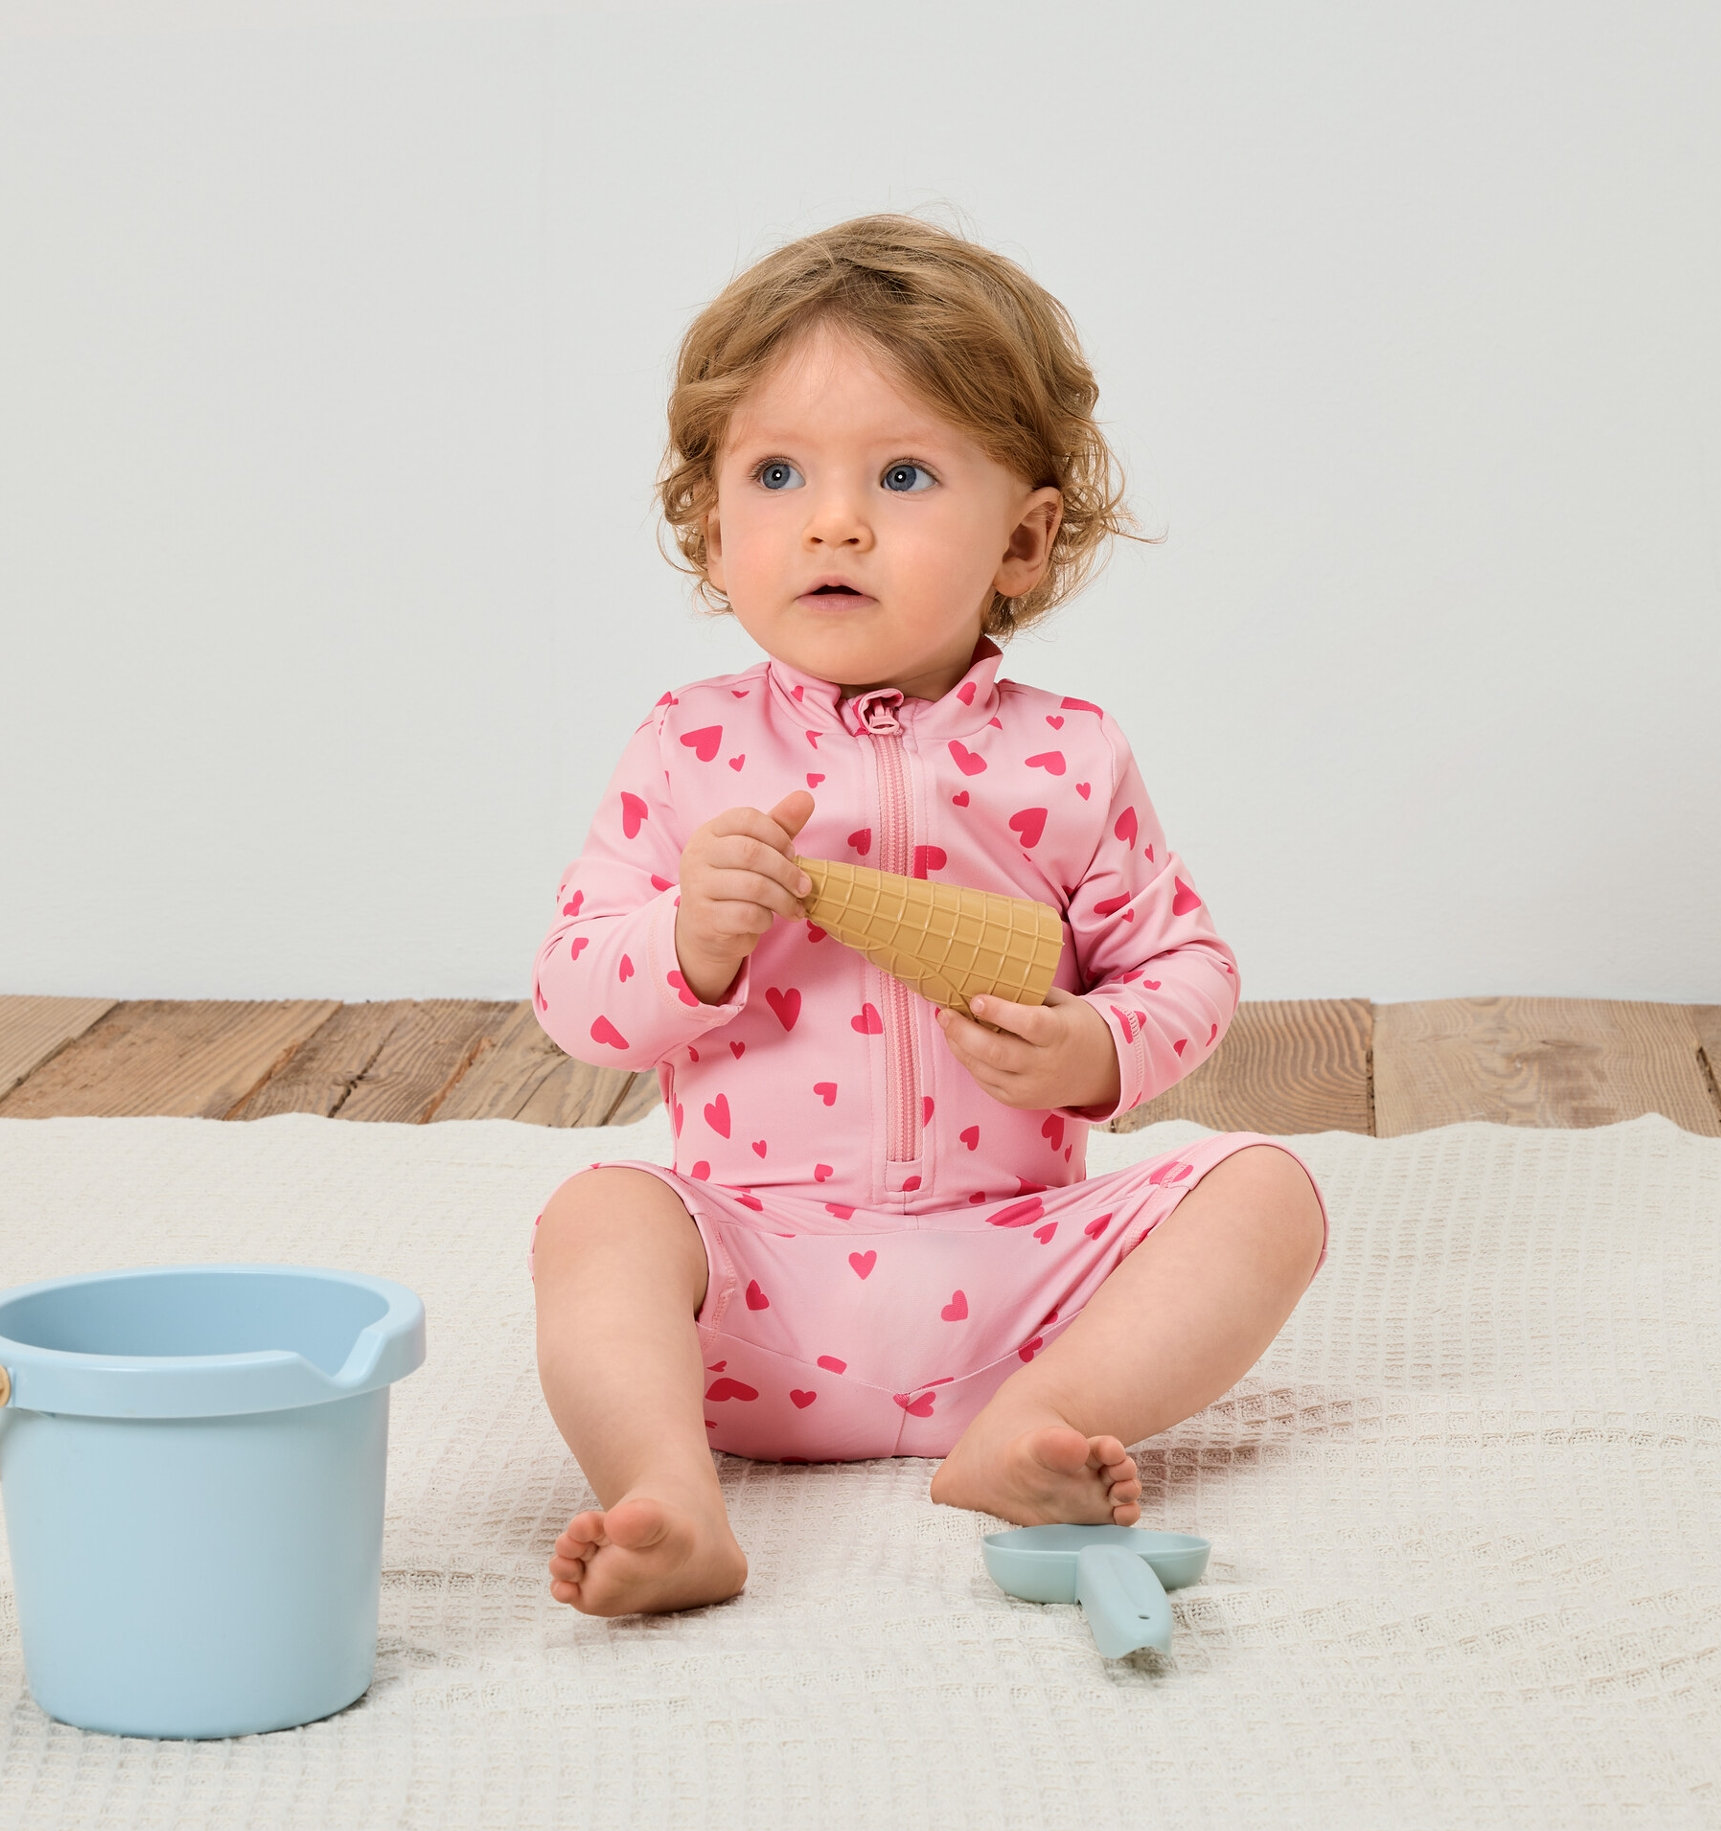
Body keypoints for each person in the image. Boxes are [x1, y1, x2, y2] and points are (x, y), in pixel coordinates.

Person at [530, 214, 1328, 1617]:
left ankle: (1031, 1431)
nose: (833, 520)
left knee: (1266, 1190)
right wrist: (688, 942)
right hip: (756, 1291)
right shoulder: (686, 752)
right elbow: (574, 994)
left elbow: (1184, 965)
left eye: (902, 474)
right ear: (717, 532)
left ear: (1020, 538)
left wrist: (1093, 1047)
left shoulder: (1067, 755)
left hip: (1024, 1285)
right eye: (778, 473)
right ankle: (668, 1494)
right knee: (596, 1217)